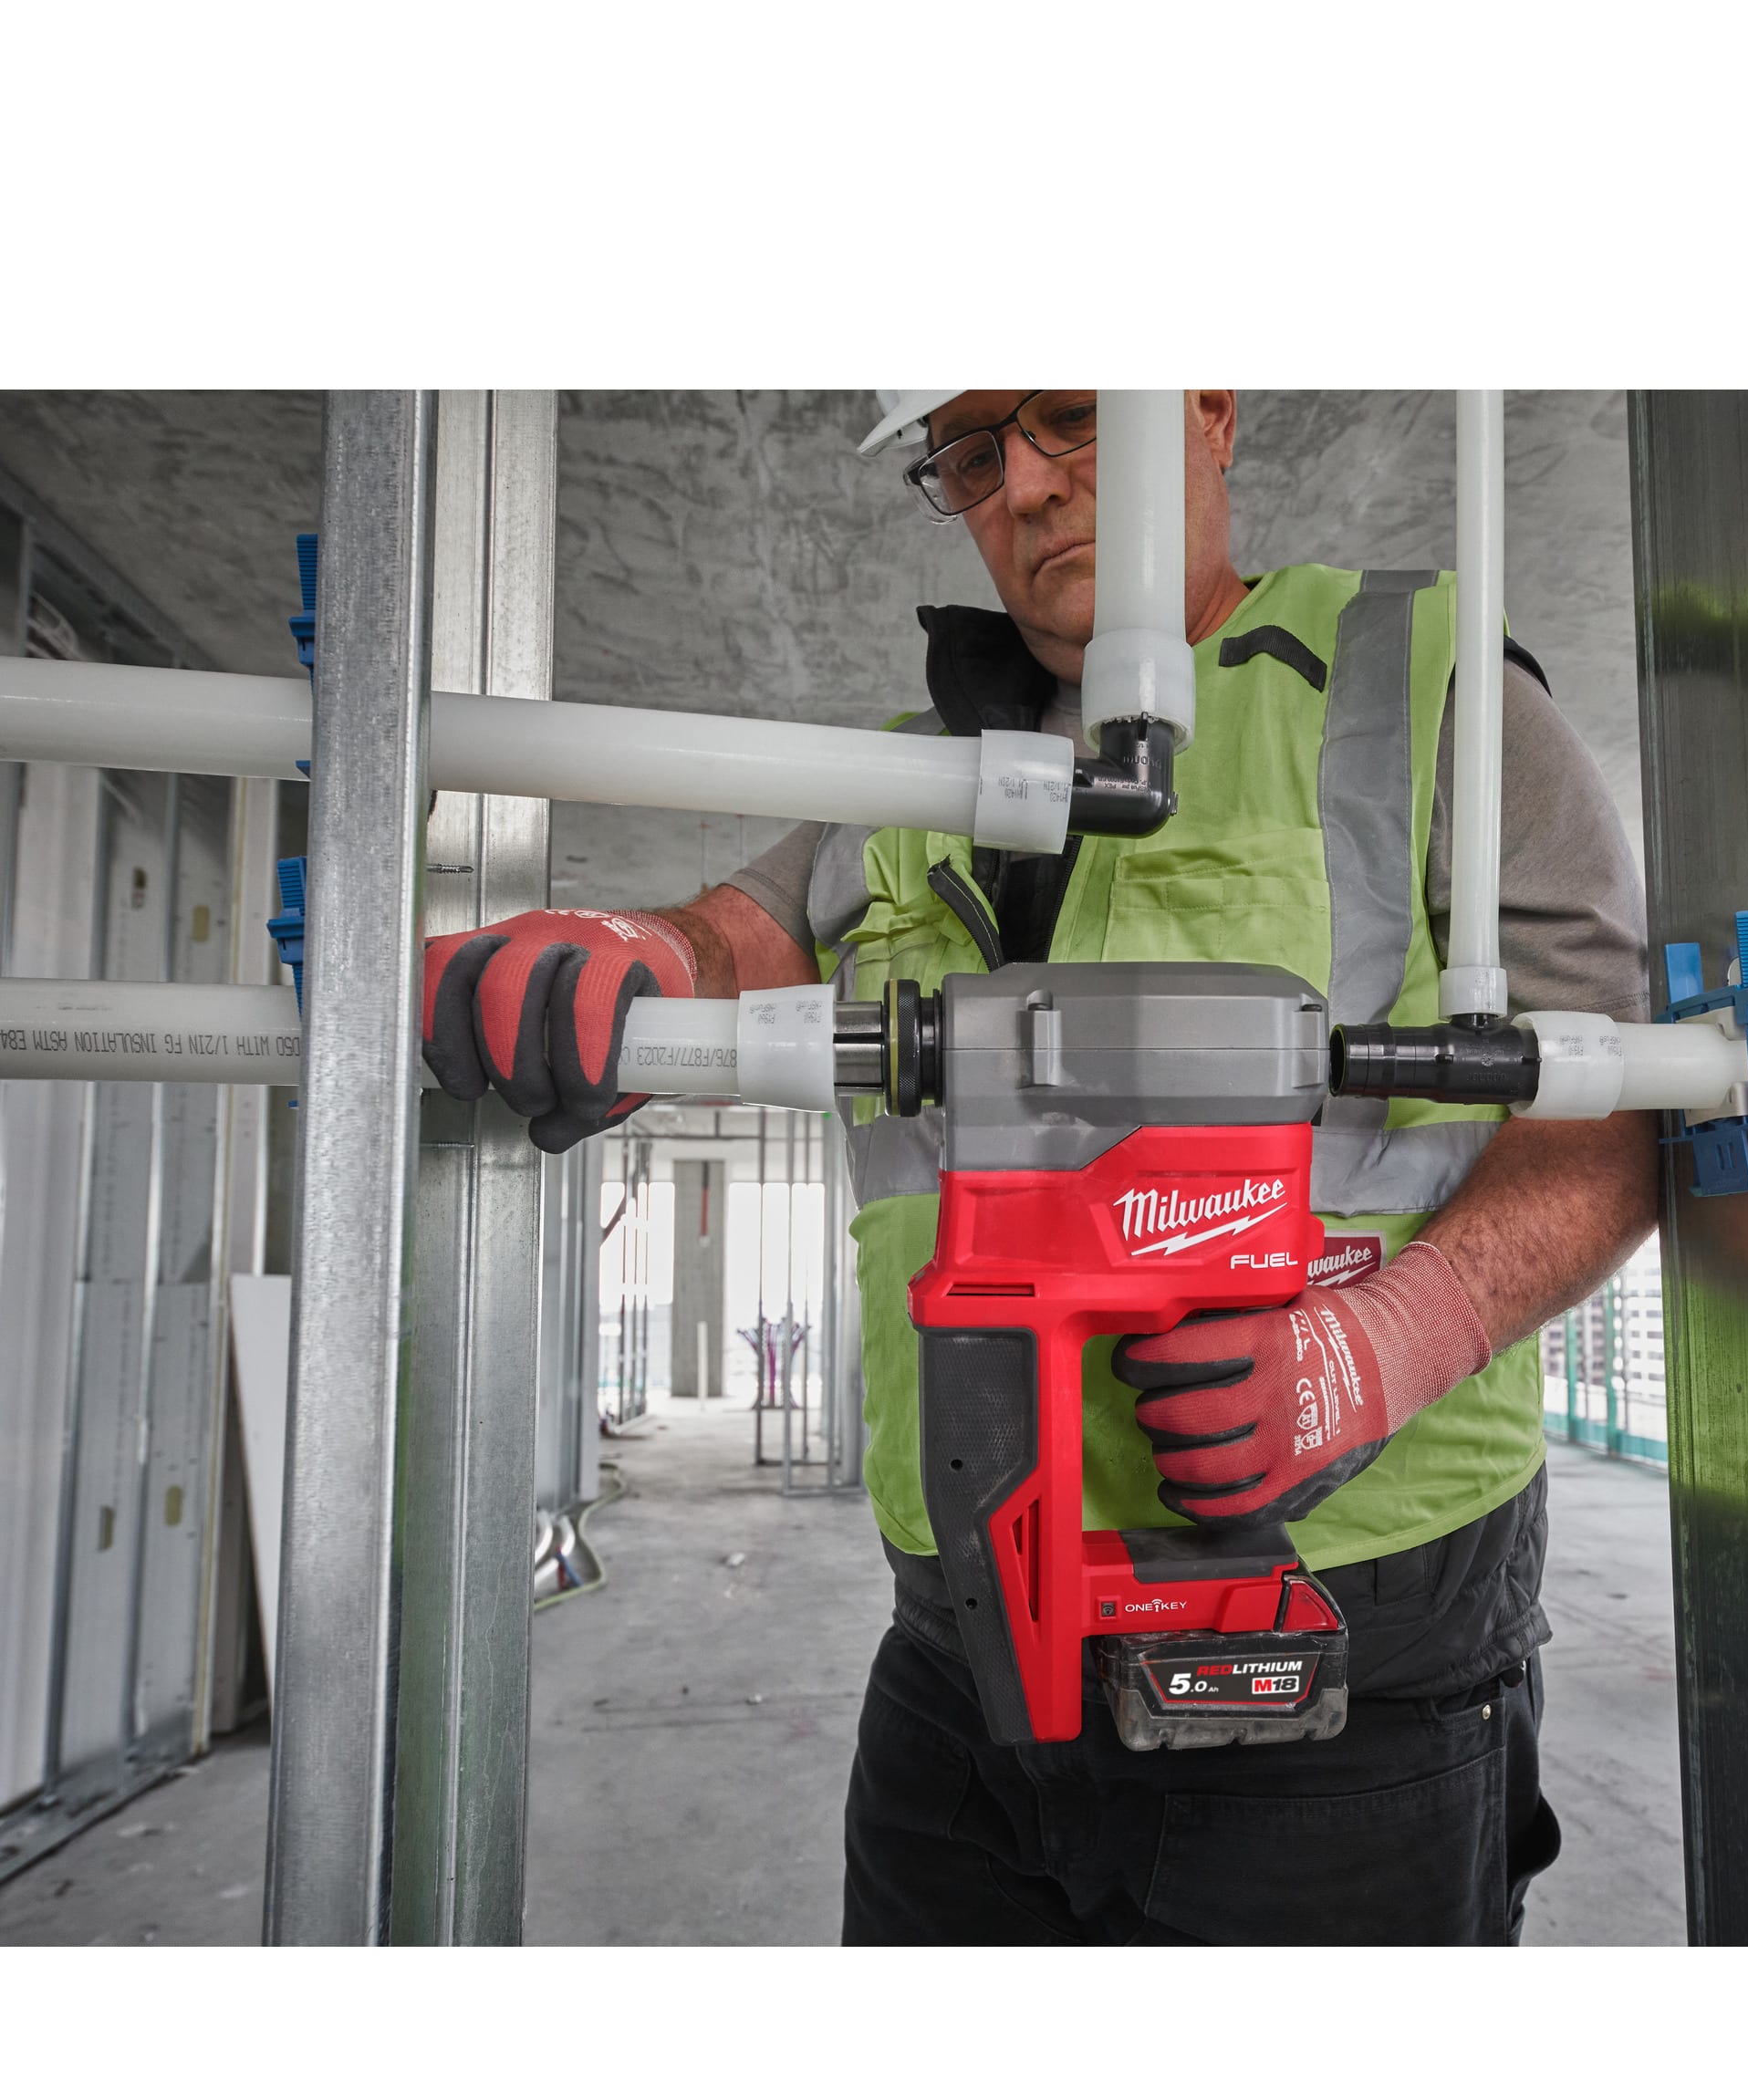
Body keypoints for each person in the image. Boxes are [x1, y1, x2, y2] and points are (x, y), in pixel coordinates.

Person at [422, 391, 1658, 1945]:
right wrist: (634, 951)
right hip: (959, 1654)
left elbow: (1618, 1110)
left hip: (1339, 1662)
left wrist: (1376, 1349)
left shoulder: (1420, 683)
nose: (1021, 487)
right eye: (968, 454)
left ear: (1207, 411)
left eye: (1069, 417)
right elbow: (732, 938)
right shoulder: (911, 772)